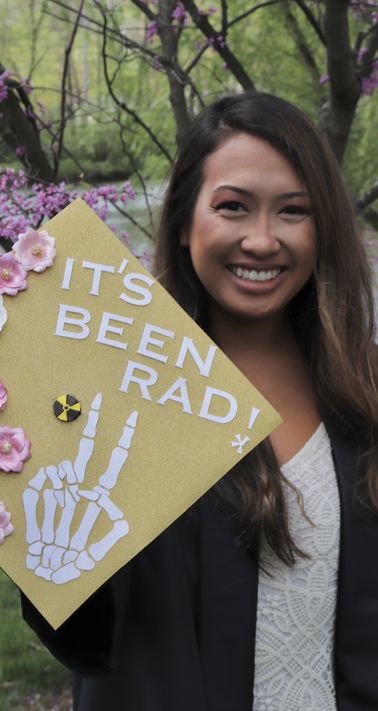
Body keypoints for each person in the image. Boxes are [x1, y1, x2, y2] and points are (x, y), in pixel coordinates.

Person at [21, 92, 378, 711]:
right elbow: (87, 639)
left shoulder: (366, 386)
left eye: (294, 211)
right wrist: (48, 562)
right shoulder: (107, 391)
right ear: (185, 222)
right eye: (233, 207)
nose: (262, 241)